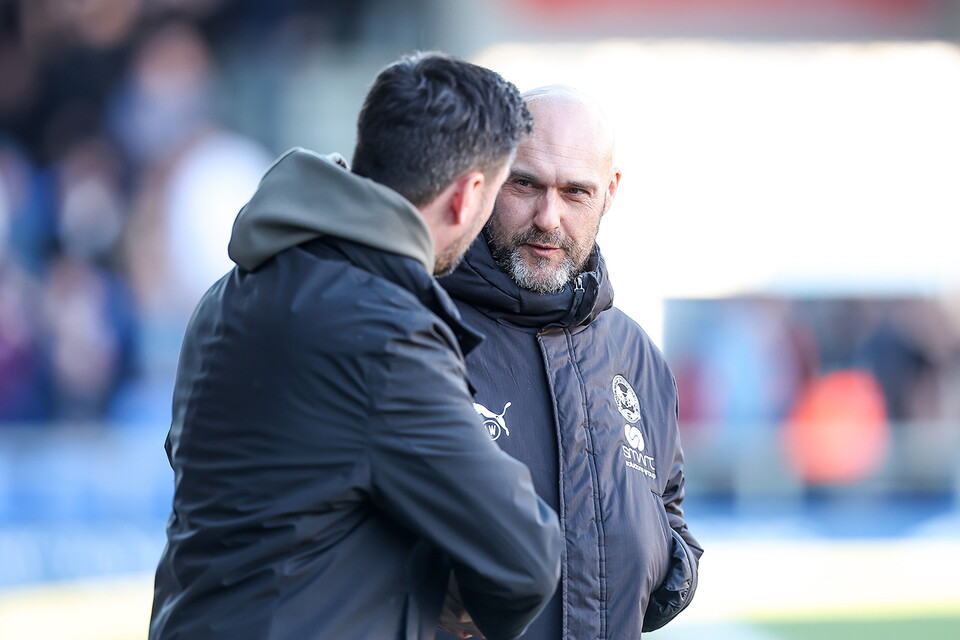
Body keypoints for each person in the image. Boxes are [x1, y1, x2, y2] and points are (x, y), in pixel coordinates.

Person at [149, 52, 563, 640]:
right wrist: (444, 595)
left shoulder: (233, 291)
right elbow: (524, 557)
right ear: (468, 195)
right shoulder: (385, 332)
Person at [437, 85, 703, 639]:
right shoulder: (420, 328)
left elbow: (670, 521)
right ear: (486, 178)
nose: (548, 217)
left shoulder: (637, 359)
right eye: (525, 184)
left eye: (575, 192)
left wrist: (661, 567)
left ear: (610, 193)